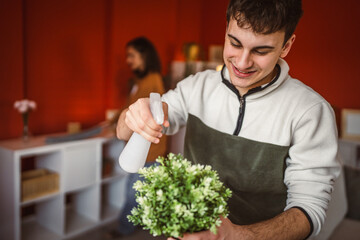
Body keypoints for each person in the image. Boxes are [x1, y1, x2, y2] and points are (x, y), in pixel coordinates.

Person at [116, 1, 342, 239]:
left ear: (286, 46)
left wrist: (234, 235)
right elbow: (123, 132)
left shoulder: (311, 112)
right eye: (235, 43)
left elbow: (309, 211)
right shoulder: (195, 87)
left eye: (261, 51)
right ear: (225, 31)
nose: (242, 63)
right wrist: (132, 116)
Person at [108, 36, 167, 239]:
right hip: (141, 152)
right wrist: (112, 121)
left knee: (133, 194)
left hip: (149, 153)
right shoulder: (138, 82)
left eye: (132, 55)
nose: (128, 60)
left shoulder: (153, 81)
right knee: (137, 193)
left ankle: (123, 230)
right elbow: (128, 107)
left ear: (144, 56)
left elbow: (151, 116)